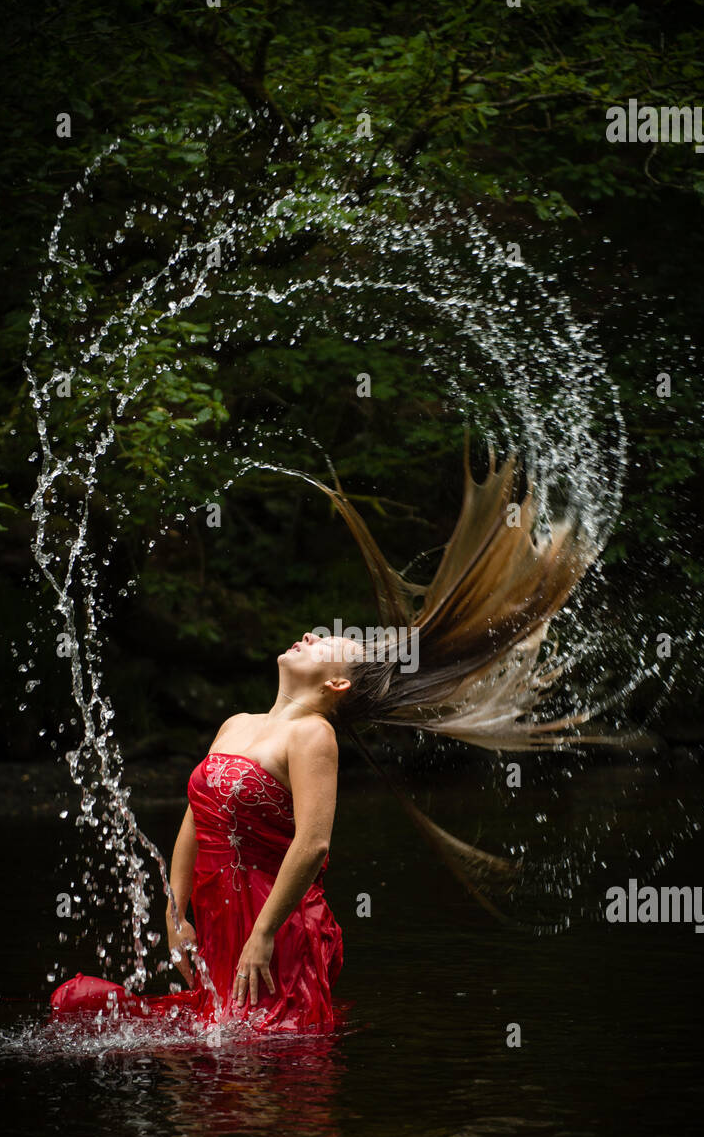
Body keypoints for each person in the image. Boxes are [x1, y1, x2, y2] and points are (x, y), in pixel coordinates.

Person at [50, 442, 601, 1035]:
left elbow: (312, 847)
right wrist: (173, 911)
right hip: (216, 917)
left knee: (263, 1060)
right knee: (201, 1055)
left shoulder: (314, 735)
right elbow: (195, 817)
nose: (312, 634)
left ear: (338, 682)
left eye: (329, 642)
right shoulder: (236, 725)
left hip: (272, 924)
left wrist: (263, 937)